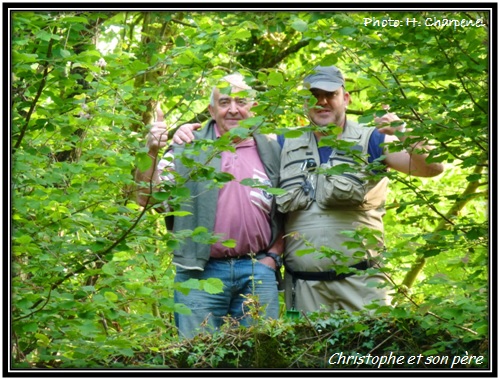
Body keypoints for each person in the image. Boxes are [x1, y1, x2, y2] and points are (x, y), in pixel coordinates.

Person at [173, 65, 444, 315]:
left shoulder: (372, 139)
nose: (322, 102)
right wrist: (188, 134)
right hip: (304, 289)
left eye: (330, 94)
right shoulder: (281, 143)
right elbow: (233, 136)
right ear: (304, 102)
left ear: (346, 98)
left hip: (363, 283)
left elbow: (431, 168)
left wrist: (404, 131)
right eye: (314, 95)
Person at [135, 73, 284, 339]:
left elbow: (291, 209)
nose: (234, 109)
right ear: (211, 110)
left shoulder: (273, 149)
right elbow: (145, 199)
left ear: (254, 107)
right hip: (199, 272)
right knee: (198, 357)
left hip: (258, 270)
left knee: (263, 357)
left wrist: (272, 257)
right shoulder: (186, 148)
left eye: (241, 101)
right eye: (225, 102)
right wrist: (151, 151)